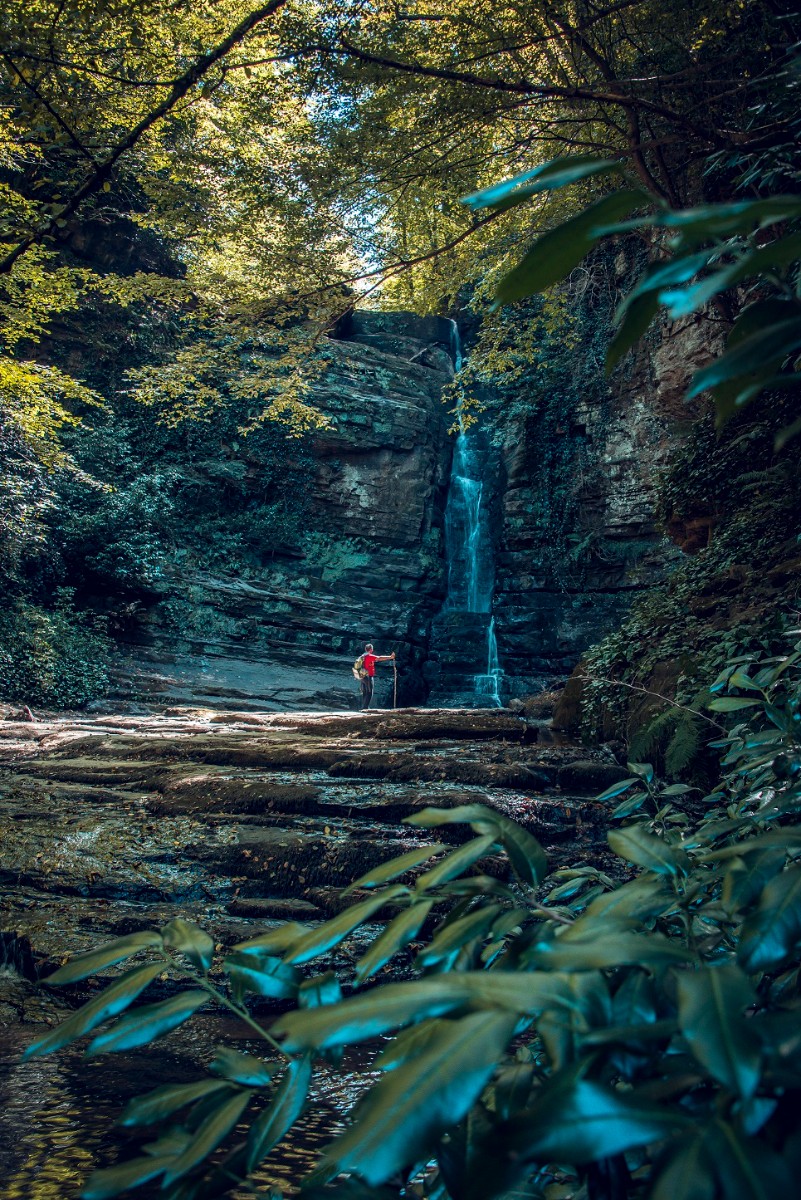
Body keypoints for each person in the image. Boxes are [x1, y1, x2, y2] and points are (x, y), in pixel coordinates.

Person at [358, 642, 395, 710]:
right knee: (369, 692)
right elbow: (379, 658)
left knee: (365, 692)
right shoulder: (369, 656)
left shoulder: (362, 656)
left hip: (362, 676)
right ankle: (365, 708)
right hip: (368, 676)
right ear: (371, 649)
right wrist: (390, 657)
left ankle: (363, 707)